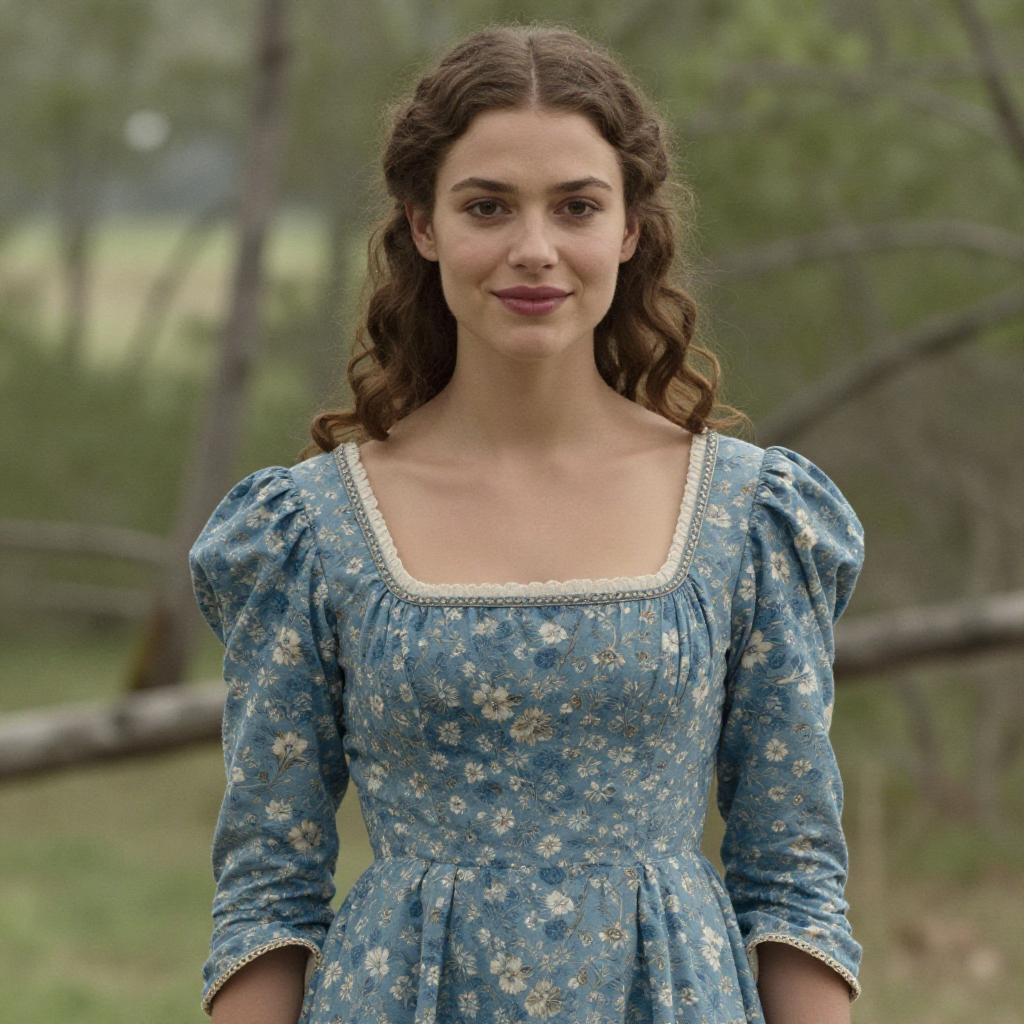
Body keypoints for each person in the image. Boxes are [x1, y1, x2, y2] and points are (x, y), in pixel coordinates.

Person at [188, 22, 866, 1024]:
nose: (533, 249)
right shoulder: (312, 529)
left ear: (628, 229)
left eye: (576, 206)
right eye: (488, 206)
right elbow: (266, 888)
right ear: (423, 225)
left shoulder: (746, 515)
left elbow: (794, 872)